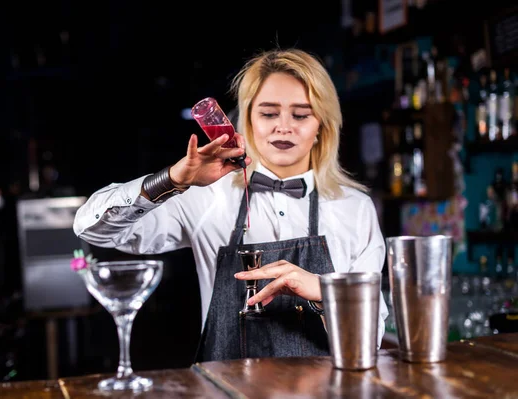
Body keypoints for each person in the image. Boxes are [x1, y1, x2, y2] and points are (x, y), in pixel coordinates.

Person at [73, 48, 389, 362]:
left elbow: (370, 340)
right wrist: (171, 180)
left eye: (301, 114)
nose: (283, 126)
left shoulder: (355, 209)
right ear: (247, 121)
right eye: (268, 113)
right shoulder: (206, 197)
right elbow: (93, 229)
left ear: (323, 126)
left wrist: (324, 292)